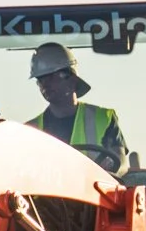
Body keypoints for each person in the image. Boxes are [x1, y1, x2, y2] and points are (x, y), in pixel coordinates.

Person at [27, 42, 127, 175]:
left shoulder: (103, 118)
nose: (45, 84)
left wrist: (109, 172)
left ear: (71, 79)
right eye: (40, 79)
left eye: (51, 77)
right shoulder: (30, 130)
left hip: (95, 193)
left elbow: (121, 163)